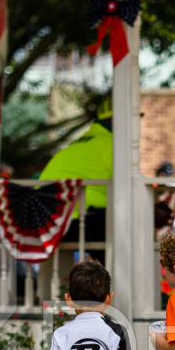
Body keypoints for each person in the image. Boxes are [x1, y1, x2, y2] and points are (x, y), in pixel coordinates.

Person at [40, 101, 114, 245]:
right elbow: (127, 192)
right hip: (77, 221)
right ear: (114, 119)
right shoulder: (112, 144)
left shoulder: (78, 144)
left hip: (49, 221)